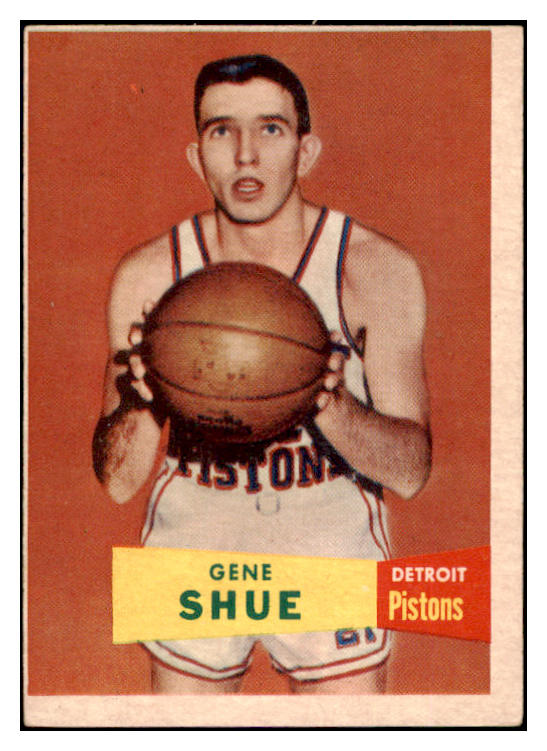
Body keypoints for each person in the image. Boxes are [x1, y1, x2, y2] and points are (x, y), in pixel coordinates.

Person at [93, 54, 431, 695]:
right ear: (197, 156)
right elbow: (118, 483)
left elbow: (411, 472)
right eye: (222, 131)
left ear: (306, 151)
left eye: (270, 128)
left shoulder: (374, 269)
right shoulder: (150, 276)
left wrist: (328, 401)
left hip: (327, 550)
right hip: (195, 550)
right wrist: (142, 401)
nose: (246, 154)